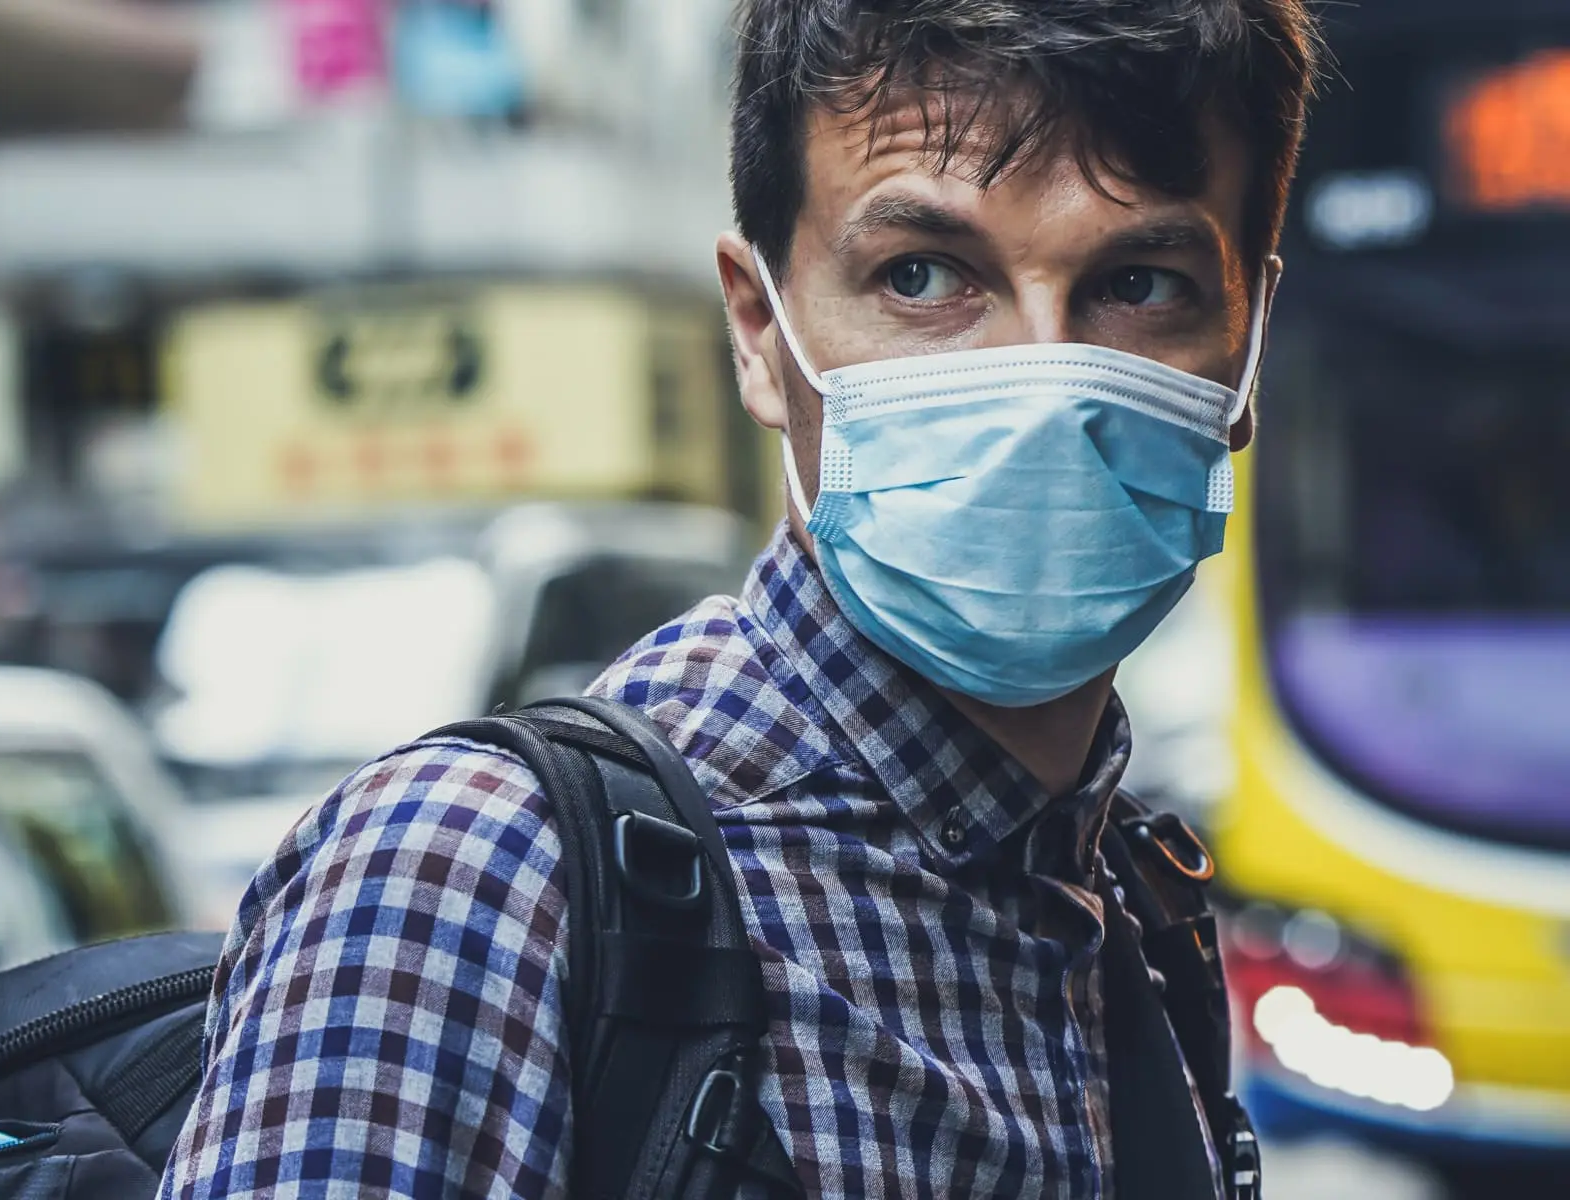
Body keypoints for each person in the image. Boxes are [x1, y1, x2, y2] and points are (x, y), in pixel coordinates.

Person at [158, 1, 1319, 1196]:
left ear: (1247, 340)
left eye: (1138, 284)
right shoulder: (473, 878)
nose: (1038, 384)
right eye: (919, 276)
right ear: (758, 329)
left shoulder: (1132, 909)